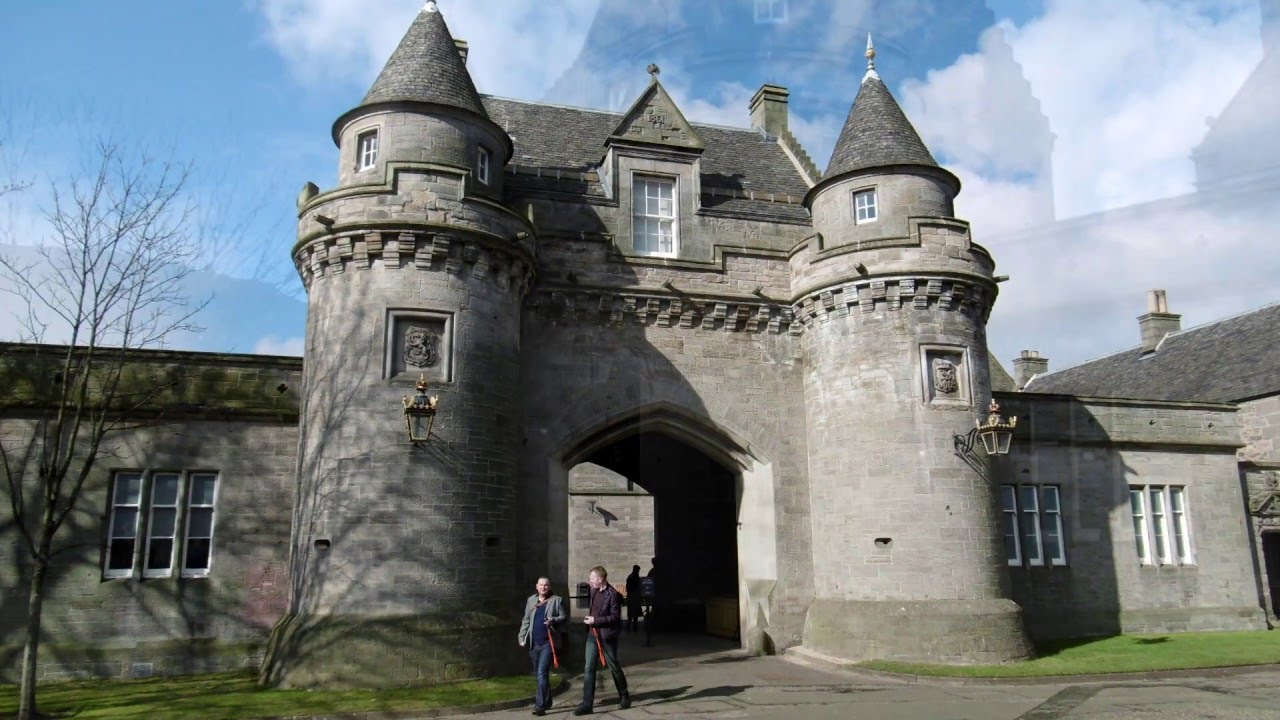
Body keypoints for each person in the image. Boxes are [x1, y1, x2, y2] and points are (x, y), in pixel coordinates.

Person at [574, 566, 629, 715]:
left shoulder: (613, 595)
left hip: (607, 636)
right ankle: (587, 704)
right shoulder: (593, 591)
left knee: (613, 666)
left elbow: (615, 617)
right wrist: (592, 621)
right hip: (592, 635)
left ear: (600, 579)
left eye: (592, 578)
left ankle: (624, 695)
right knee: (589, 668)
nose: (590, 581)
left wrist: (595, 620)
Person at [518, 576, 568, 717]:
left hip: (548, 643)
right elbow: (526, 620)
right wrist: (521, 637)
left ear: (549, 586)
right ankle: (547, 700)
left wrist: (553, 620)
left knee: (541, 673)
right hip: (534, 643)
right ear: (537, 586)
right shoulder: (531, 600)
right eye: (541, 585)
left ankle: (540, 706)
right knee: (539, 675)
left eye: (546, 585)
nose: (543, 587)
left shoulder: (556, 600)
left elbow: (564, 617)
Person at [625, 565, 642, 633]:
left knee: (631, 613)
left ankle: (629, 627)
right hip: (634, 596)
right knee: (634, 613)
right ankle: (633, 627)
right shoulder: (635, 577)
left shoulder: (630, 577)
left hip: (631, 596)